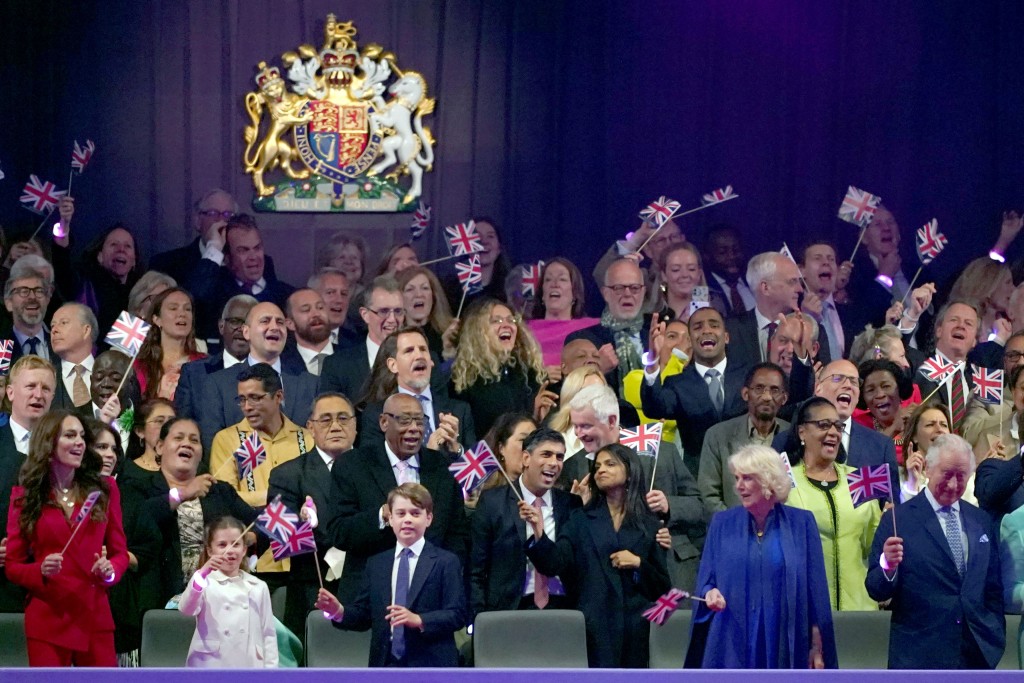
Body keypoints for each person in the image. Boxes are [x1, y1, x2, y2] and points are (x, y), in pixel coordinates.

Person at [686, 444, 837, 669]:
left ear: (769, 480)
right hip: (731, 639)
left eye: (747, 478)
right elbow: (706, 582)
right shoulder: (722, 523)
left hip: (785, 640)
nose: (739, 486)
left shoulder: (802, 524)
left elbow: (815, 595)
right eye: (737, 478)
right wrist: (711, 593)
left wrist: (817, 647)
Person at [521, 443, 670, 667]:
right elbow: (554, 563)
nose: (600, 470)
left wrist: (638, 563)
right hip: (593, 630)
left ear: (630, 472)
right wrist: (538, 533)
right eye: (597, 466)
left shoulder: (650, 524)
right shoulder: (580, 519)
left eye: (610, 464)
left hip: (636, 632)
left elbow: (662, 588)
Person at [866, 434, 1005, 669]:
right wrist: (887, 566)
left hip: (976, 655)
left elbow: (992, 588)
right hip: (919, 656)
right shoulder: (898, 520)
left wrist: (994, 633)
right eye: (947, 474)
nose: (953, 485)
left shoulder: (981, 520)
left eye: (961, 476)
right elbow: (876, 588)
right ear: (928, 469)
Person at [4, 410, 129, 666]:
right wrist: (40, 569)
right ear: (49, 443)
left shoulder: (105, 490)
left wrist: (110, 571)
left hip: (95, 617)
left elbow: (119, 554)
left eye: (82, 436)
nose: (80, 442)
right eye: (70, 435)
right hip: (48, 619)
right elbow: (13, 566)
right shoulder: (25, 497)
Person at [557, 384, 705, 594]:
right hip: (609, 583)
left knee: (671, 628)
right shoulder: (573, 466)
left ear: (611, 421)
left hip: (669, 571)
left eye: (586, 426)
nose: (579, 434)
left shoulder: (662, 454)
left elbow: (699, 507)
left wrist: (669, 504)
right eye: (576, 426)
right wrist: (579, 505)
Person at [327, 393, 470, 603]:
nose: (414, 428)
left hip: (430, 595)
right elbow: (339, 531)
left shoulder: (440, 467)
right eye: (405, 420)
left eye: (420, 421)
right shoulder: (353, 465)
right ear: (384, 422)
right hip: (371, 596)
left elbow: (457, 533)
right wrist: (381, 516)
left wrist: (444, 574)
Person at [316, 483, 468, 667]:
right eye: (401, 513)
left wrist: (419, 620)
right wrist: (338, 611)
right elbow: (364, 614)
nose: (407, 520)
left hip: (431, 664)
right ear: (390, 518)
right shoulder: (377, 563)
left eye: (415, 513)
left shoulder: (446, 561)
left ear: (429, 518)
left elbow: (458, 614)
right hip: (385, 664)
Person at [125, 417, 256, 608]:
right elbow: (138, 521)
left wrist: (247, 538)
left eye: (194, 440)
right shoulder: (139, 487)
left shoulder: (220, 491)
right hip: (159, 601)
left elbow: (262, 523)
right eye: (178, 438)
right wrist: (183, 493)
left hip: (217, 600)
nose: (187, 443)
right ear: (160, 447)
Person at [268, 392, 357, 642]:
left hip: (365, 588)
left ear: (355, 424)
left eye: (343, 418)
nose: (336, 426)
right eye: (326, 420)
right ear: (311, 427)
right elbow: (280, 533)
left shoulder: (375, 469)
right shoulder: (287, 475)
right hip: (312, 590)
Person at [783, 397, 881, 610]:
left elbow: (874, 545)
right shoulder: (784, 481)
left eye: (838, 426)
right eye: (823, 425)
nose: (834, 433)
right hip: (806, 611)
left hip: (860, 610)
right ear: (802, 432)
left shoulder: (860, 479)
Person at [471, 427, 580, 618]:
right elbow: (476, 570)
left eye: (559, 457)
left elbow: (568, 563)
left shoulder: (571, 504)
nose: (554, 463)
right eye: (546, 454)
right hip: (509, 610)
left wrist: (539, 534)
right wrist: (480, 618)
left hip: (561, 609)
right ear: (526, 458)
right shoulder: (492, 502)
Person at [641, 305, 749, 475]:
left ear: (726, 337)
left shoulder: (748, 376)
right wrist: (652, 360)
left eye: (714, 325)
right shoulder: (678, 383)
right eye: (698, 327)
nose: (706, 330)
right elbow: (654, 407)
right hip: (698, 478)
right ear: (690, 341)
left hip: (746, 474)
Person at [200, 302, 318, 454]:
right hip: (241, 474)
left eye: (280, 322)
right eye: (265, 321)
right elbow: (213, 444)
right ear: (246, 332)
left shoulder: (310, 383)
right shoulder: (218, 384)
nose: (274, 327)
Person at [773, 358, 901, 496]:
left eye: (854, 381)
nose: (848, 385)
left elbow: (889, 506)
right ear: (818, 388)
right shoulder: (784, 441)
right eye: (838, 378)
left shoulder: (880, 447)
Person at [209, 363, 314, 508]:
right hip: (249, 527)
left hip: (301, 527)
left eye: (255, 398)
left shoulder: (307, 439)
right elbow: (224, 497)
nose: (247, 407)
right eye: (242, 399)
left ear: (278, 396)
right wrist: (275, 496)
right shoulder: (227, 439)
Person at [180, 516, 277, 668]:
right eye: (222, 544)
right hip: (210, 665)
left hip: (249, 664)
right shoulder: (204, 582)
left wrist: (271, 672)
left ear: (244, 549)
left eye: (236, 544)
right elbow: (186, 609)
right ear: (210, 550)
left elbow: (268, 634)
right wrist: (201, 575)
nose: (230, 550)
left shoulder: (258, 586)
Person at [357, 328, 475, 453]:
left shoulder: (460, 411)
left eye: (423, 349)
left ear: (431, 362)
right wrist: (427, 454)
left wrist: (457, 450)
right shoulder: (376, 414)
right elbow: (373, 466)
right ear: (393, 365)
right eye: (409, 351)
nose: (419, 355)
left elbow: (480, 469)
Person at [0, 356, 57, 612]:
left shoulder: (65, 449)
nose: (38, 394)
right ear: (10, 392)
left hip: (49, 586)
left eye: (46, 389)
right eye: (31, 386)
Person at [187, 213, 295, 341]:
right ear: (227, 258)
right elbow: (193, 298)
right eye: (243, 250)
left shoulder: (285, 296)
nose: (253, 257)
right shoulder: (215, 295)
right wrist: (214, 246)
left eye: (257, 248)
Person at [698, 362, 790, 512]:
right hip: (733, 530)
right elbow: (708, 496)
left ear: (784, 398)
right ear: (745, 394)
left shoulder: (792, 435)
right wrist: (737, 524)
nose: (767, 397)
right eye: (759, 389)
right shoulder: (717, 435)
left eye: (774, 390)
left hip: (781, 528)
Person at [451, 298, 548, 437]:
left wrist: (536, 418)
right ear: (477, 331)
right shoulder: (463, 380)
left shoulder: (530, 374)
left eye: (511, 320)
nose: (506, 325)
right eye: (496, 321)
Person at [726, 251, 830, 368]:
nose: (800, 289)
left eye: (799, 282)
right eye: (792, 282)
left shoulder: (812, 332)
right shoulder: (731, 331)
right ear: (765, 288)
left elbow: (824, 379)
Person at [567, 258, 652, 394]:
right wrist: (600, 369)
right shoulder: (582, 340)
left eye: (634, 288)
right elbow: (570, 392)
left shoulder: (655, 338)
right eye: (619, 288)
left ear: (643, 292)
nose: (627, 294)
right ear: (605, 294)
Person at [320, 275, 405, 401]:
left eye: (398, 311)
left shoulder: (423, 360)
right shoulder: (337, 365)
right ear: (365, 315)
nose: (392, 319)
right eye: (384, 311)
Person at [175, 294, 257, 423]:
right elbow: (182, 426)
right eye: (235, 321)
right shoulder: (194, 374)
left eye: (249, 323)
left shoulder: (274, 373)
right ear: (221, 326)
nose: (242, 329)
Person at [593, 214, 686, 313]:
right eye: (661, 240)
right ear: (648, 250)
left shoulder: (696, 275)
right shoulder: (642, 279)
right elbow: (601, 274)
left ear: (683, 239)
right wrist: (639, 236)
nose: (669, 243)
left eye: (674, 236)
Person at [149, 188, 239, 286]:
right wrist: (214, 249)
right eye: (212, 213)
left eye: (228, 214)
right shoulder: (166, 265)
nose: (221, 220)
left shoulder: (246, 263)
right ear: (198, 221)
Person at [525, 258, 598, 372]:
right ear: (542, 294)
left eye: (562, 279)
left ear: (574, 293)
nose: (554, 284)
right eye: (548, 280)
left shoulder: (592, 328)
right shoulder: (524, 331)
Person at [134, 288, 205, 400]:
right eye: (173, 308)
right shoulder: (139, 367)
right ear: (157, 319)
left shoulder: (205, 364)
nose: (182, 314)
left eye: (187, 309)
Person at [854, 359, 916, 464]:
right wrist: (893, 428)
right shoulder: (857, 426)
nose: (879, 394)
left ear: (900, 389)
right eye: (870, 390)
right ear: (863, 397)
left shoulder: (917, 419)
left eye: (886, 386)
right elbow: (860, 462)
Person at [798, 240, 851, 360]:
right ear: (802, 270)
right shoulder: (792, 311)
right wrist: (807, 318)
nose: (826, 263)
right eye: (818, 258)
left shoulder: (849, 312)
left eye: (831, 259)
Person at [442, 218, 511, 308]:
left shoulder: (509, 289)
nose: (484, 241)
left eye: (490, 236)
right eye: (477, 236)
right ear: (465, 247)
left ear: (499, 249)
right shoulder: (449, 290)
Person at [948, 257, 1015, 343]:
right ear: (989, 286)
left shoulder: (1009, 329)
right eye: (1008, 282)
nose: (1013, 289)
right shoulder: (962, 324)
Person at [656, 242, 727, 322]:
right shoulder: (654, 317)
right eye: (675, 270)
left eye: (691, 269)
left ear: (699, 274)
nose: (685, 275)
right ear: (664, 275)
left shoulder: (716, 310)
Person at [396, 266, 454, 359]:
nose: (419, 294)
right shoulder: (393, 339)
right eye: (410, 289)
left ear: (433, 295)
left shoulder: (449, 333)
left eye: (425, 288)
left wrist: (448, 354)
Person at [49, 302, 98, 409]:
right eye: (52, 325)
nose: (54, 330)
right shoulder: (46, 378)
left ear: (86, 330)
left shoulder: (115, 374)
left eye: (63, 323)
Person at [899, 401, 951, 500]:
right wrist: (912, 483)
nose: (939, 429)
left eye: (944, 425)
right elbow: (900, 514)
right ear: (914, 436)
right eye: (930, 425)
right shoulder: (898, 477)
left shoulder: (965, 476)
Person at [5, 263, 55, 363]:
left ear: (47, 300)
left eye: (39, 291)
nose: (32, 297)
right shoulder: (3, 348)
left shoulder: (61, 345)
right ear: (9, 303)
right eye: (23, 291)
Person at [477, 413, 537, 492]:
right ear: (501, 448)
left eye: (536, 440)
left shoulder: (550, 494)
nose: (532, 447)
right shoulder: (486, 497)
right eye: (523, 440)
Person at [702, 225, 754, 314]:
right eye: (722, 252)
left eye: (736, 250)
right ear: (707, 256)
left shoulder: (755, 280)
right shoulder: (701, 289)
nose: (732, 256)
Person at [282, 288, 334, 376]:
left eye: (320, 307)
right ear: (290, 324)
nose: (316, 314)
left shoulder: (353, 356)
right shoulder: (282, 366)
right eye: (306, 310)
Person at [308, 267, 358, 347]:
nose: (339, 300)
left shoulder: (359, 345)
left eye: (344, 294)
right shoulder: (287, 342)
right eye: (330, 292)